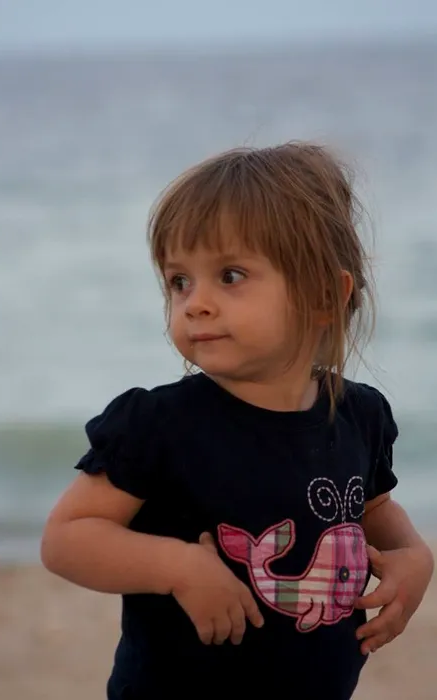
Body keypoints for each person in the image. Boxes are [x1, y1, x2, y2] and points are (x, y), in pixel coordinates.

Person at [41, 142, 434, 699]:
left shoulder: (358, 414)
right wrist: (179, 567)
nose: (195, 302)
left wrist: (414, 558)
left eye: (229, 275)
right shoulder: (160, 424)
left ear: (324, 295)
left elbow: (374, 510)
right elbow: (67, 539)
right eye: (179, 281)